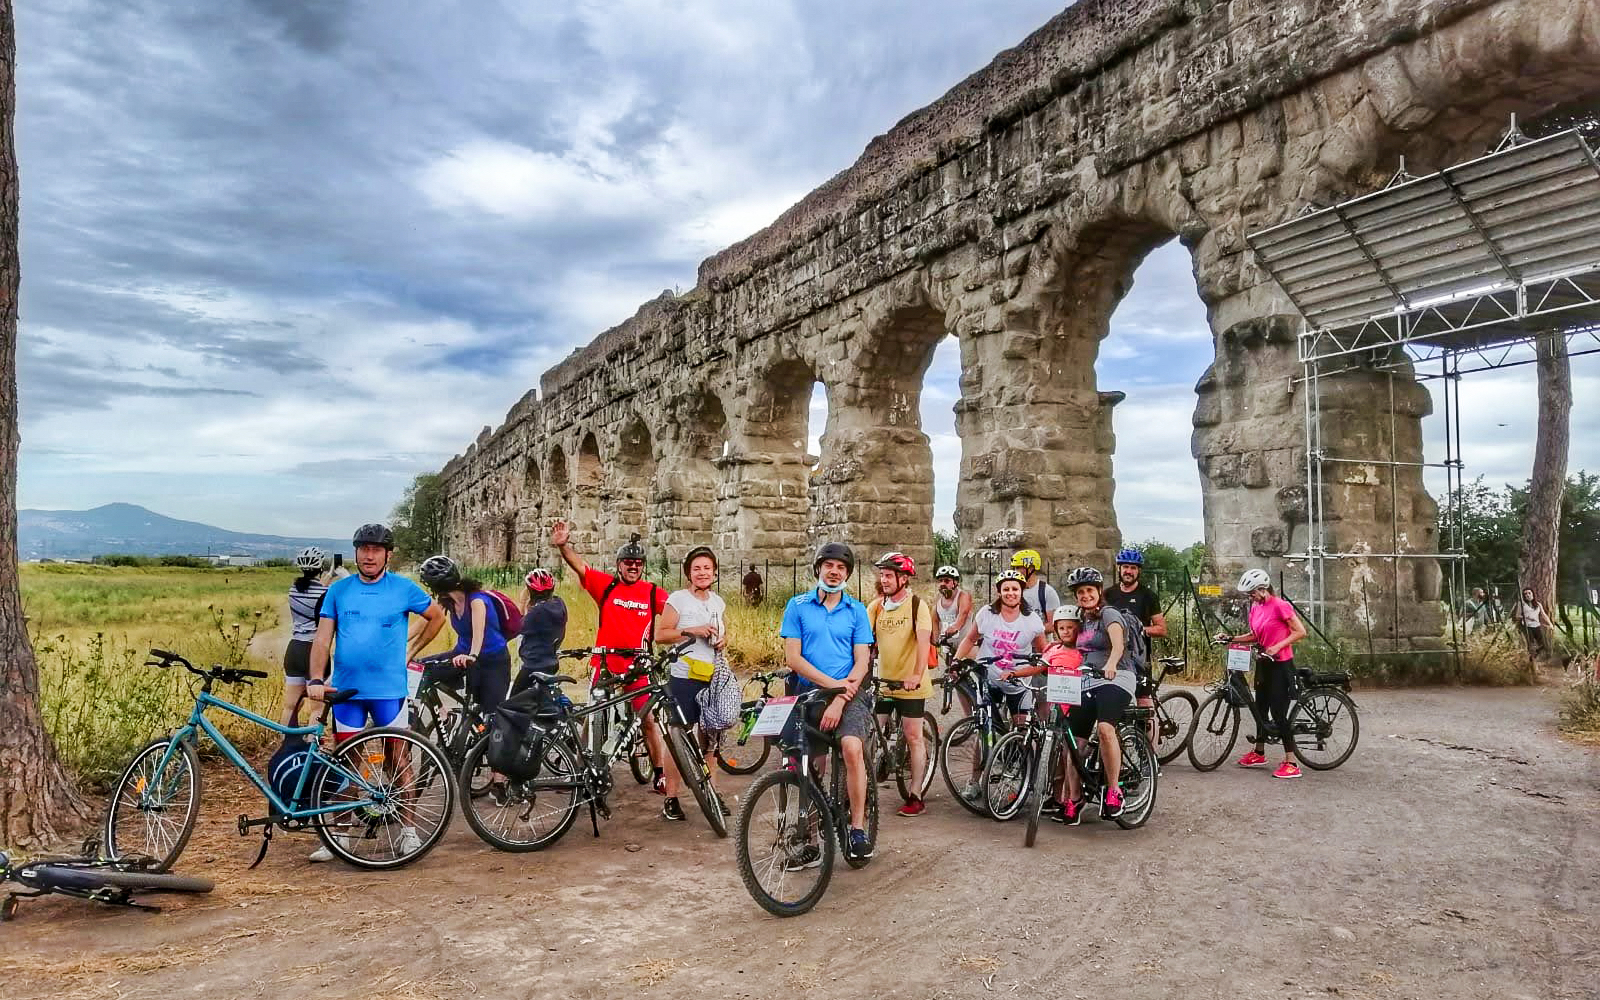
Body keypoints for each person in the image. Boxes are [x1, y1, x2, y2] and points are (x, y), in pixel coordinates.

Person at [306, 523, 446, 861]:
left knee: (398, 761)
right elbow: (323, 639)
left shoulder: (402, 588)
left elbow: (436, 616)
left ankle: (409, 833)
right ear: (356, 552)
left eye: (376, 549)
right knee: (346, 763)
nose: (369, 555)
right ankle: (338, 836)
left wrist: (410, 653)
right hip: (347, 691)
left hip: (389, 691)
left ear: (388, 554)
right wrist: (314, 679)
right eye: (363, 549)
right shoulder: (339, 591)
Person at [549, 521, 676, 818]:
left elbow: (675, 613)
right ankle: (580, 768)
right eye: (628, 562)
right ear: (618, 565)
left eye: (637, 563)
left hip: (638, 665)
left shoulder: (652, 592)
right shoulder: (606, 587)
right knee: (592, 717)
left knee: (647, 721)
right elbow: (580, 567)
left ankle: (658, 771)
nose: (633, 567)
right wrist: (563, 545)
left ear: (642, 566)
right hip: (605, 664)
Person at [780, 541, 875, 864]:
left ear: (847, 574)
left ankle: (858, 828)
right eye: (829, 566)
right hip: (810, 693)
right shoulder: (798, 605)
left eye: (841, 568)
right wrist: (830, 686)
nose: (834, 572)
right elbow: (793, 657)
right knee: (809, 765)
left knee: (851, 748)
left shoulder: (857, 610)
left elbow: (862, 661)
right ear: (818, 568)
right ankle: (810, 836)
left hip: (848, 693)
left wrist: (841, 695)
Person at [416, 555, 514, 795]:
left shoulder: (477, 601)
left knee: (493, 717)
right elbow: (421, 625)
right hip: (463, 653)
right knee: (421, 670)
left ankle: (499, 779)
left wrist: (472, 655)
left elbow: (478, 634)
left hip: (491, 660)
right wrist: (407, 651)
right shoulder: (446, 601)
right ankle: (444, 714)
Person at [953, 568, 1046, 803]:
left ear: (1021, 592)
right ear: (999, 592)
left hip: (1017, 680)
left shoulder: (1032, 620)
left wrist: (1049, 664)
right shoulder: (987, 613)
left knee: (1022, 731)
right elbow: (970, 639)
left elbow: (1042, 649)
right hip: (990, 677)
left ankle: (1025, 779)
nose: (1011, 593)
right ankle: (974, 781)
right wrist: (956, 661)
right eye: (1006, 589)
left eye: (1015, 589)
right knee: (984, 730)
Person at [656, 546, 732, 817]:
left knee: (711, 740)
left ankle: (712, 794)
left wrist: (723, 640)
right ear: (689, 572)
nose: (702, 573)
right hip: (684, 677)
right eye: (697, 568)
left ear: (715, 572)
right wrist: (692, 631)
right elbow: (661, 634)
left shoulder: (717, 602)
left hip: (711, 677)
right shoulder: (678, 599)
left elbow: (723, 631)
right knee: (678, 738)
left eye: (707, 568)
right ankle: (672, 797)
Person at [1216, 569, 1308, 780]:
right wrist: (1230, 638)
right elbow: (1254, 635)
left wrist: (1278, 646)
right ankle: (1259, 752)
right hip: (1264, 663)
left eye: (1252, 593)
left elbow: (1300, 631)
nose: (1251, 597)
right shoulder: (1256, 607)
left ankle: (1292, 762)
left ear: (1263, 589)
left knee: (1278, 712)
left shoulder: (1280, 606)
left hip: (1281, 664)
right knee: (1260, 708)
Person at [866, 552, 934, 817]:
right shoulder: (876, 607)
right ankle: (865, 786)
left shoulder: (917, 606)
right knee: (870, 733)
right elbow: (866, 643)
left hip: (910, 683)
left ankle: (916, 794)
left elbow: (923, 642)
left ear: (903, 579)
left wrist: (916, 674)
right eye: (882, 575)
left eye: (888, 575)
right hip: (884, 681)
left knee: (913, 735)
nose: (883, 580)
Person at [1065, 566, 1136, 817]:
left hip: (1116, 677)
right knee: (1075, 741)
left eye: (1089, 590)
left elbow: (1118, 644)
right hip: (1087, 680)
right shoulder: (1081, 619)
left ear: (1098, 591)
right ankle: (1074, 798)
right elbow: (1068, 644)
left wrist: (1111, 664)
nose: (1085, 595)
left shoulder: (1109, 614)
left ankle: (1114, 791)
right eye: (1080, 592)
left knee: (1106, 729)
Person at [1102, 547, 1167, 743]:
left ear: (1138, 571)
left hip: (1139, 660)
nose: (1128, 571)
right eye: (1125, 567)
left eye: (1133, 568)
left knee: (1145, 706)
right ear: (1119, 569)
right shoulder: (1109, 594)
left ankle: (1152, 759)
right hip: (1114, 659)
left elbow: (1161, 629)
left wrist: (1139, 630)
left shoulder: (1148, 596)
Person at [281, 547, 327, 727]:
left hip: (294, 649)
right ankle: (310, 747)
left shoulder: (293, 590)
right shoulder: (326, 592)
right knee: (317, 707)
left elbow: (312, 589)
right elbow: (323, 594)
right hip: (314, 650)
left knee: (290, 705)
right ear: (320, 567)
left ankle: (286, 744)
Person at [513, 568, 567, 695]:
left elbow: (515, 627)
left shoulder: (537, 613)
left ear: (530, 592)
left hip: (533, 665)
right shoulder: (559, 604)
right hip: (552, 662)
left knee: (511, 705)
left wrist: (522, 602)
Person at [1011, 549, 1060, 622]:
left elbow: (1053, 625)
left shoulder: (1047, 592)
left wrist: (1030, 631)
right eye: (1015, 568)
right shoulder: (1012, 591)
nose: (1015, 571)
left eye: (1018, 567)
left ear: (1031, 569)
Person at [933, 565, 974, 649]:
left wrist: (955, 627)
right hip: (946, 647)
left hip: (964, 648)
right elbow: (935, 621)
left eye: (947, 581)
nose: (942, 584)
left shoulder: (963, 596)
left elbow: (963, 614)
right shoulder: (937, 600)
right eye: (940, 581)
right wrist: (936, 639)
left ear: (955, 583)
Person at [1514, 587, 1555, 660]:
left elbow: (1544, 615)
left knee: (1543, 645)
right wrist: (1526, 617)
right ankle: (1531, 662)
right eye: (1525, 594)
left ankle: (1535, 657)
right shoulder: (1522, 604)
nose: (1527, 595)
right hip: (1527, 627)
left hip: (1537, 626)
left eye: (1529, 593)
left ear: (1533, 594)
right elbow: (1517, 616)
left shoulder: (1538, 604)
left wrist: (1550, 624)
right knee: (1531, 645)